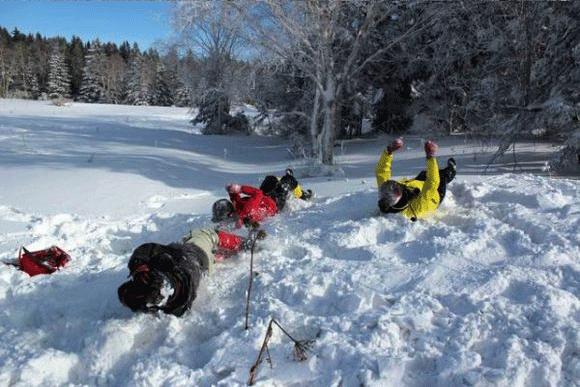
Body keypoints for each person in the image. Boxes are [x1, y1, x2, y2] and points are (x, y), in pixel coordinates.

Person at [118, 228, 265, 316]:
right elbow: (149, 250)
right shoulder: (176, 275)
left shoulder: (172, 301)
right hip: (195, 253)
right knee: (206, 234)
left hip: (201, 264)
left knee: (210, 254)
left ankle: (220, 255)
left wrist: (139, 267)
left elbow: (147, 251)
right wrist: (143, 267)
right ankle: (247, 244)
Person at [376, 138, 456, 221]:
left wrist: (388, 151)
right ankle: (451, 171)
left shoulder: (385, 193)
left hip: (415, 185)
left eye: (393, 184)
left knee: (424, 174)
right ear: (397, 195)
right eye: (396, 187)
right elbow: (433, 182)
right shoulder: (415, 208)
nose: (395, 185)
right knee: (442, 176)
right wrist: (430, 157)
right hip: (434, 196)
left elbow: (381, 172)